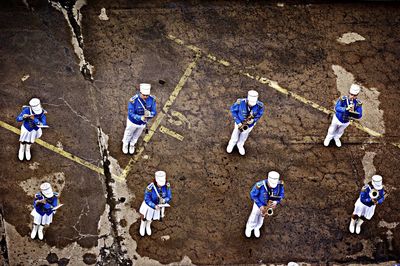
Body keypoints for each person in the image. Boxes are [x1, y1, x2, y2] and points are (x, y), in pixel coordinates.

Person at [245, 171, 284, 238]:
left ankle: (257, 228)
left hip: (268, 205)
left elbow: (281, 195)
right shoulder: (260, 185)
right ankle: (249, 227)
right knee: (254, 216)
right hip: (258, 204)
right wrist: (260, 206)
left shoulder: (280, 185)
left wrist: (275, 202)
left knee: (261, 218)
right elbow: (253, 195)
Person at [226, 90, 264, 155]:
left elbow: (259, 114)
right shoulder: (240, 102)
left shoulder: (260, 105)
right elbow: (233, 111)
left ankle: (240, 145)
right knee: (235, 133)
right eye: (251, 102)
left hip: (249, 125)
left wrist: (254, 120)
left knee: (244, 134)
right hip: (239, 122)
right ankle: (232, 143)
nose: (252, 104)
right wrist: (238, 122)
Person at [122, 83, 157, 154]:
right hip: (133, 122)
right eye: (144, 95)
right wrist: (140, 117)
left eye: (147, 95)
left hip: (143, 123)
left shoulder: (152, 100)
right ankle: (125, 144)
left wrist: (149, 114)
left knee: (136, 135)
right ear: (140, 93)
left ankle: (132, 144)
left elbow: (154, 112)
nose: (145, 97)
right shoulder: (133, 100)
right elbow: (131, 113)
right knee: (129, 133)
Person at [138, 171, 172, 236]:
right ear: (156, 181)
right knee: (145, 216)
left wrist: (164, 200)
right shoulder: (150, 188)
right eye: (160, 183)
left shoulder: (167, 186)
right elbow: (147, 199)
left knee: (152, 217)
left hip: (159, 206)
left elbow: (169, 196)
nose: (161, 185)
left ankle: (148, 225)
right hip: (149, 206)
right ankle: (142, 225)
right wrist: (154, 206)